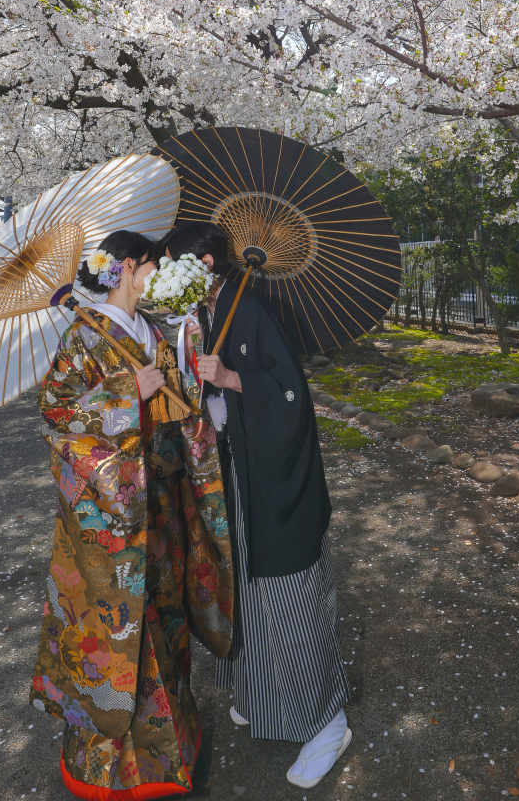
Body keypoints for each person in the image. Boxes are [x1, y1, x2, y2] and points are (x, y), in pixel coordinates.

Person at [30, 229, 234, 799]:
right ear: (124, 267)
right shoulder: (83, 335)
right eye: (149, 265)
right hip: (116, 514)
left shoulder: (148, 327)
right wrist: (126, 393)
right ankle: (113, 771)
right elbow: (58, 414)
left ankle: (177, 746)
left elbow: (179, 403)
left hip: (162, 498)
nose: (154, 274)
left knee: (166, 621)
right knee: (124, 631)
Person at [158, 221, 351, 789]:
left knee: (288, 593)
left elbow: (292, 395)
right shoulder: (210, 313)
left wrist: (237, 379)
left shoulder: (255, 311)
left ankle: (327, 720)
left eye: (174, 266)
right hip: (240, 482)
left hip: (276, 485)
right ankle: (263, 697)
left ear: (205, 267)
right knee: (245, 586)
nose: (167, 277)